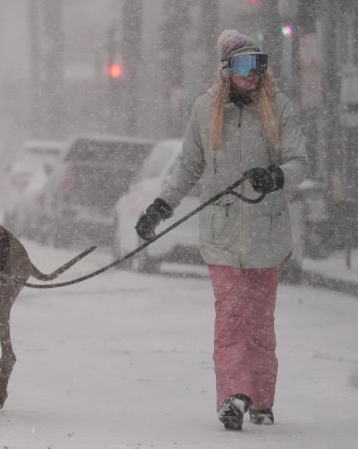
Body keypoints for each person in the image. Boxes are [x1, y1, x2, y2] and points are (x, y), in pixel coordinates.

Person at [135, 30, 308, 430]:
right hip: (222, 234)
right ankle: (232, 395)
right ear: (227, 69)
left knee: (260, 321)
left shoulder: (279, 108)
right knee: (230, 316)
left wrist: (275, 176)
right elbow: (188, 167)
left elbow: (299, 161)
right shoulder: (205, 110)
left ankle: (262, 399)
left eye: (260, 64)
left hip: (267, 234)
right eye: (246, 65)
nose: (254, 74)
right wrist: (160, 207)